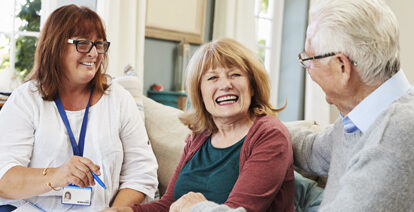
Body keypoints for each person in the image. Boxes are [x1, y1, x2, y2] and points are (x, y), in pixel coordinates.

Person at [106, 38, 295, 212]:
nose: (225, 85)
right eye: (212, 78)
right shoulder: (200, 136)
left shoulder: (269, 135)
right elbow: (168, 204)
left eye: (235, 74)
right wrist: (126, 211)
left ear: (252, 86)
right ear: (200, 93)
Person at [0, 4, 158, 211]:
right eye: (83, 44)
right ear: (55, 46)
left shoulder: (119, 99)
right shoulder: (26, 99)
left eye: (99, 44)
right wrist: (56, 175)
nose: (94, 53)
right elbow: (4, 179)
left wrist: (114, 210)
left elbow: (142, 174)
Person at [292, 0, 414, 211]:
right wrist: (259, 128)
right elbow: (312, 149)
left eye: (309, 59)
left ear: (342, 67)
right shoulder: (362, 118)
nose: (308, 70)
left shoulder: (395, 136)